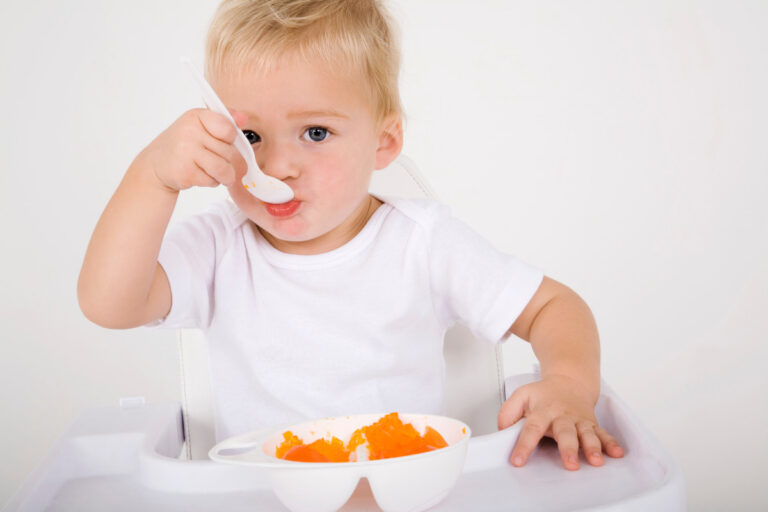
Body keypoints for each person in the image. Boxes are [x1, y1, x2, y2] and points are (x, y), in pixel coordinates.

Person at [77, 0, 623, 471]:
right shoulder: (220, 246)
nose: (279, 164)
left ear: (384, 142)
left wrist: (569, 385)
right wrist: (152, 177)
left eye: (316, 132)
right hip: (262, 494)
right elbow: (109, 303)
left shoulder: (422, 243)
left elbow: (554, 305)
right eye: (249, 135)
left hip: (405, 490)